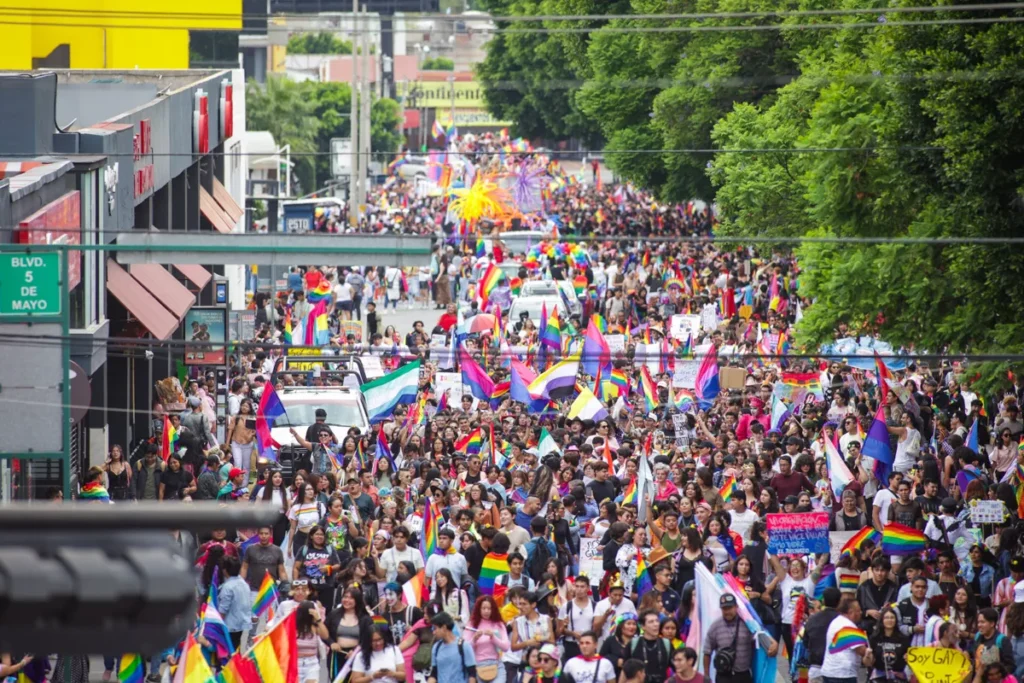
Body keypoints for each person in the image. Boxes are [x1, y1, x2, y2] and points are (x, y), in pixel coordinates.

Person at [704, 595, 777, 683]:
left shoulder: (748, 624)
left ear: (736, 607)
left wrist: (774, 643)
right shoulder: (715, 627)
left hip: (743, 675)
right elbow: (707, 652)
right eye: (724, 609)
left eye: (730, 608)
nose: (727, 612)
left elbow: (761, 633)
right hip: (723, 676)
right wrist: (706, 676)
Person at [820, 596, 873, 683]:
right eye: (858, 610)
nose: (860, 613)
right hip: (842, 675)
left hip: (829, 672)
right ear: (851, 612)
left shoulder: (836, 621)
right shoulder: (849, 627)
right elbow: (863, 651)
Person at [465, 595, 511, 683]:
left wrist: (493, 637)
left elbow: (506, 647)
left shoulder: (499, 624)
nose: (486, 611)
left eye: (489, 609)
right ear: (479, 609)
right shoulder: (472, 624)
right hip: (478, 666)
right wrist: (474, 639)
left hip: (496, 664)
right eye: (484, 608)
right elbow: (465, 648)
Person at [428, 611, 477, 683]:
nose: (433, 632)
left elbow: (472, 673)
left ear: (444, 628)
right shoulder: (436, 648)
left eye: (435, 628)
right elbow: (434, 673)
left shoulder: (464, 646)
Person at [352, 618, 406, 683]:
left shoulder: (394, 650)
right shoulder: (361, 655)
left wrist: (392, 674)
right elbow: (355, 681)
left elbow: (403, 676)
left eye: (380, 639)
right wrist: (372, 677)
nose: (378, 643)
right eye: (374, 641)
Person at [559, 576, 596, 662]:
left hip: (589, 645)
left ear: (588, 588)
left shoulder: (594, 606)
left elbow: (598, 629)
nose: (579, 589)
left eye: (582, 587)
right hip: (571, 645)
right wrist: (572, 633)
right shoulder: (566, 606)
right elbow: (560, 630)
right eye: (577, 586)